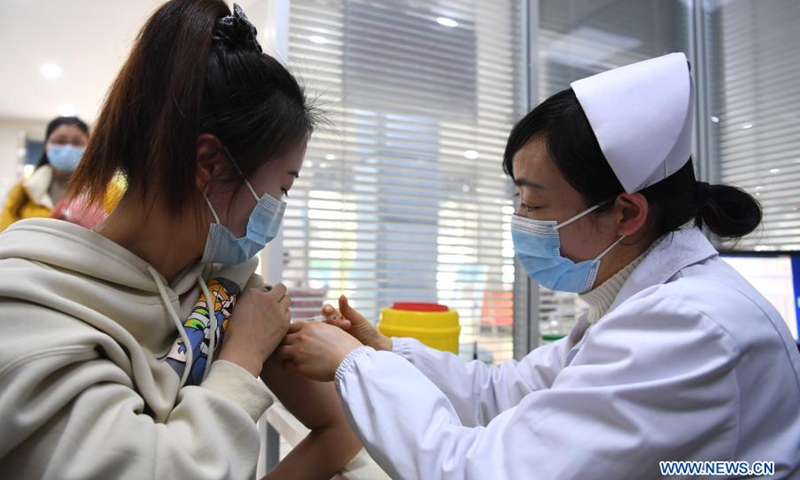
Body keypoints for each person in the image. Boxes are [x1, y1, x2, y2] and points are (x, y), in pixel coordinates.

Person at [277, 53, 800, 479]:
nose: (519, 221)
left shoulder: (687, 325)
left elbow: (482, 471)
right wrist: (386, 352)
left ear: (626, 213)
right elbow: (504, 394)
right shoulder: (634, 305)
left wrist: (356, 365)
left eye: (532, 204)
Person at [0, 2, 360, 479]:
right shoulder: (30, 315)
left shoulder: (225, 290)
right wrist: (242, 357)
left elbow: (342, 428)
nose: (279, 208)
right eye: (284, 188)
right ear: (208, 164)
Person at [0, 116, 121, 231]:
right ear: (47, 146)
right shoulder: (22, 192)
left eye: (77, 143)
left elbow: (123, 240)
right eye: (60, 141)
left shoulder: (110, 192)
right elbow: (4, 237)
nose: (68, 148)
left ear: (89, 149)